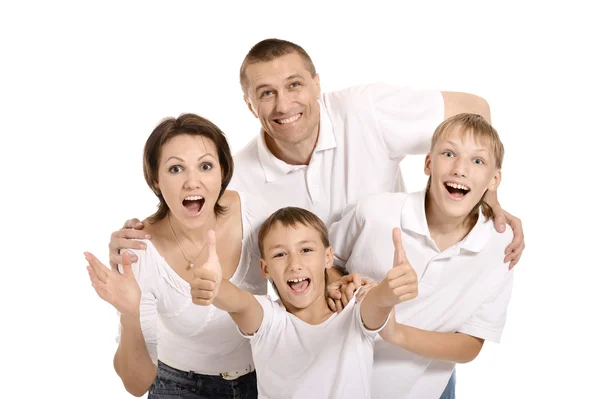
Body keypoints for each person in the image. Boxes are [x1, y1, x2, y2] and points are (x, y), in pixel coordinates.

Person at [107, 38, 526, 397]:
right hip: (327, 358)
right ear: (249, 104)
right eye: (266, 92)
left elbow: (475, 109)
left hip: (417, 356)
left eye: (294, 85)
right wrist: (137, 239)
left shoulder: (365, 110)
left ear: (317, 84)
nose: (284, 104)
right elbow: (193, 212)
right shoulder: (243, 179)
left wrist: (489, 199)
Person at [329, 113, 515, 398]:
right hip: (336, 382)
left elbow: (470, 343)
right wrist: (336, 284)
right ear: (428, 163)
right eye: (449, 153)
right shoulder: (374, 213)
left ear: (494, 180)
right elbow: (325, 263)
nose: (460, 169)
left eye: (477, 161)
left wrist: (395, 331)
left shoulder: (500, 247)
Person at [84, 113, 270, 398]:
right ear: (155, 180)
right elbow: (137, 384)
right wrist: (128, 314)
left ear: (223, 173)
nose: (192, 182)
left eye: (205, 166)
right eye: (175, 169)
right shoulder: (139, 252)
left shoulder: (257, 214)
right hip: (180, 386)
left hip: (265, 377)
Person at [189, 207, 418, 398]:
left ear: (328, 257)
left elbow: (378, 303)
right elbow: (239, 303)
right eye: (280, 254)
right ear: (265, 268)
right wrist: (215, 284)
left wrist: (392, 288)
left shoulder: (354, 312)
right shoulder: (269, 320)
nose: (294, 264)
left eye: (306, 250)